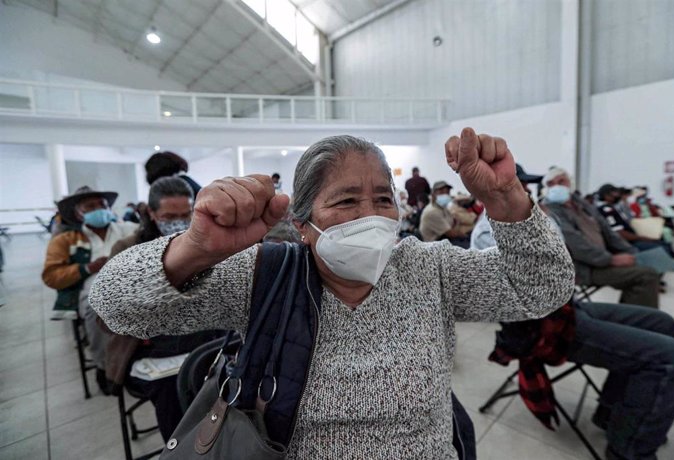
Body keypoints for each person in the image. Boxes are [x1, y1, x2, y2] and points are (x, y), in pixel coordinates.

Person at [91, 128, 574, 459]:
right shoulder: (266, 274)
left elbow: (541, 288)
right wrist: (193, 249)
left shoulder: (428, 267)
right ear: (302, 224)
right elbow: (118, 304)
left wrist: (507, 197)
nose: (371, 215)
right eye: (346, 201)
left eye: (383, 199)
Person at [472, 220, 674, 460]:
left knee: (662, 323)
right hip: (542, 327)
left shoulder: (535, 214)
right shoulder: (488, 232)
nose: (524, 192)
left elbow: (563, 262)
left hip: (567, 308)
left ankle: (616, 414)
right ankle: (628, 451)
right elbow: (529, 292)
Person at [106, 177, 221, 441]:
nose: (179, 221)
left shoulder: (207, 244)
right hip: (152, 348)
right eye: (170, 215)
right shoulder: (128, 249)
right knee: (175, 390)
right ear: (152, 213)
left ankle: (221, 443)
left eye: (186, 214)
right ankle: (183, 450)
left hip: (202, 340)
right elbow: (111, 314)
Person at [42, 186, 138, 392]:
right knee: (98, 310)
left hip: (131, 286)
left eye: (102, 205)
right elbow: (51, 276)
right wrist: (87, 268)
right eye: (90, 206)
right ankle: (105, 365)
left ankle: (140, 356)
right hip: (93, 291)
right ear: (78, 213)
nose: (98, 209)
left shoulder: (128, 230)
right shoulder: (65, 241)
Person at [542, 168, 659, 308]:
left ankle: (631, 317)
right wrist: (611, 259)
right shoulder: (549, 210)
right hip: (582, 268)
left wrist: (630, 251)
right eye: (551, 183)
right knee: (646, 276)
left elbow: (608, 232)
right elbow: (575, 244)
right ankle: (638, 323)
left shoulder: (582, 204)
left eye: (561, 181)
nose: (556, 186)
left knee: (648, 263)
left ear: (570, 183)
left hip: (601, 260)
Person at [597, 184, 674, 260]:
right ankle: (653, 274)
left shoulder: (614, 208)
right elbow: (619, 233)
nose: (617, 195)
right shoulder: (606, 210)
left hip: (631, 238)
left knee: (663, 243)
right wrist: (642, 237)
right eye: (614, 193)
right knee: (661, 248)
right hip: (625, 243)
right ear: (606, 195)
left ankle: (655, 274)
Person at [420, 180, 473, 246]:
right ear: (433, 194)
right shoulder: (432, 211)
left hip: (446, 240)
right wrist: (466, 236)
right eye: (441, 192)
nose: (445, 194)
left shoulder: (442, 208)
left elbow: (453, 222)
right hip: (436, 245)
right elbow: (451, 233)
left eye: (447, 192)